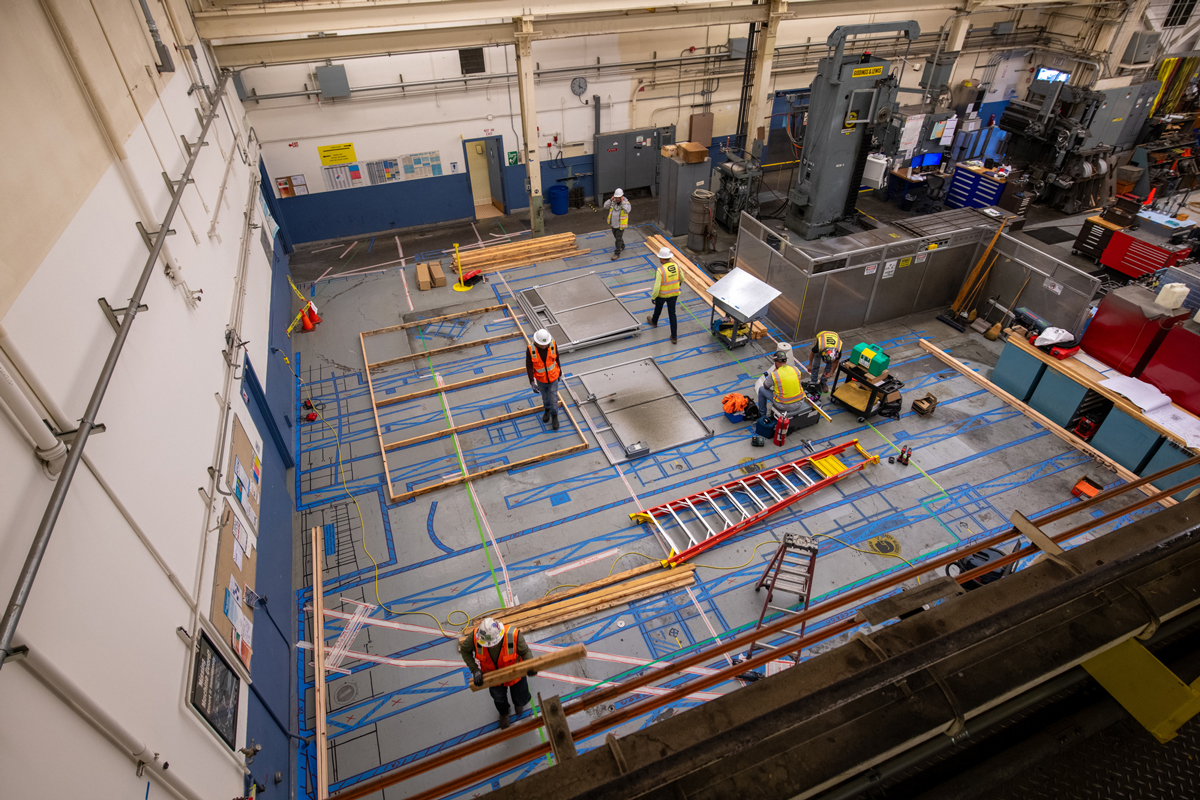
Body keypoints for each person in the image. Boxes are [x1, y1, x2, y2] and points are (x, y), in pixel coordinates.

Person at [459, 618, 536, 729]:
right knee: (499, 698)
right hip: (493, 678)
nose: (490, 646)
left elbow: (525, 651)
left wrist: (530, 665)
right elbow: (465, 650)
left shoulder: (513, 635)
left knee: (521, 695)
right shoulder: (475, 637)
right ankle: (504, 713)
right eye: (487, 645)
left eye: (493, 644)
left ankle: (519, 704)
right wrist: (475, 670)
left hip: (515, 675)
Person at [757, 345, 807, 419]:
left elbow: (765, 386)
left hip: (784, 405)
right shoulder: (795, 369)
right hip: (799, 402)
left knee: (761, 390)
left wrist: (773, 373)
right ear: (786, 361)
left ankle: (762, 415)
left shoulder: (774, 374)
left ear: (776, 362)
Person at [526, 328, 562, 430]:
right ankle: (547, 410)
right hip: (541, 380)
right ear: (536, 342)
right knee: (545, 397)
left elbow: (557, 358)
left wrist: (560, 372)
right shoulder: (530, 349)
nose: (544, 346)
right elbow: (529, 366)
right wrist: (532, 381)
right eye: (542, 345)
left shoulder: (553, 345)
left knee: (553, 398)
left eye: (546, 344)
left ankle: (554, 415)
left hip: (553, 378)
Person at [645, 246, 681, 344]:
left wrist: (653, 297)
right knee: (672, 314)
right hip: (674, 294)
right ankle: (674, 337)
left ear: (661, 258)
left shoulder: (660, 270)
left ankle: (654, 321)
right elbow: (682, 278)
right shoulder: (677, 266)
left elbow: (657, 287)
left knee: (658, 307)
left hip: (662, 295)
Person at [603, 188, 631, 260]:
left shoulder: (626, 203)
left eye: (618, 197)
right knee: (617, 237)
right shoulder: (613, 202)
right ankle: (622, 245)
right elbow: (605, 206)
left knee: (618, 239)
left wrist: (623, 202)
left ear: (621, 197)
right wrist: (610, 200)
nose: (617, 199)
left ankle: (617, 253)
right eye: (616, 197)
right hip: (613, 224)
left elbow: (627, 210)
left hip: (620, 225)